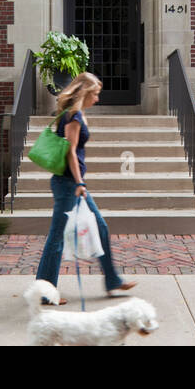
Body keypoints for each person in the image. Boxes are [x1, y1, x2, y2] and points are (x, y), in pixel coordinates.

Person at [34, 71, 136, 303]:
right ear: (86, 92)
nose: (97, 99)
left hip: (72, 183)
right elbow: (71, 151)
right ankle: (45, 292)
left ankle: (112, 280)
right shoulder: (75, 115)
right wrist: (80, 182)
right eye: (96, 94)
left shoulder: (71, 114)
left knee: (101, 227)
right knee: (57, 238)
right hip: (69, 184)